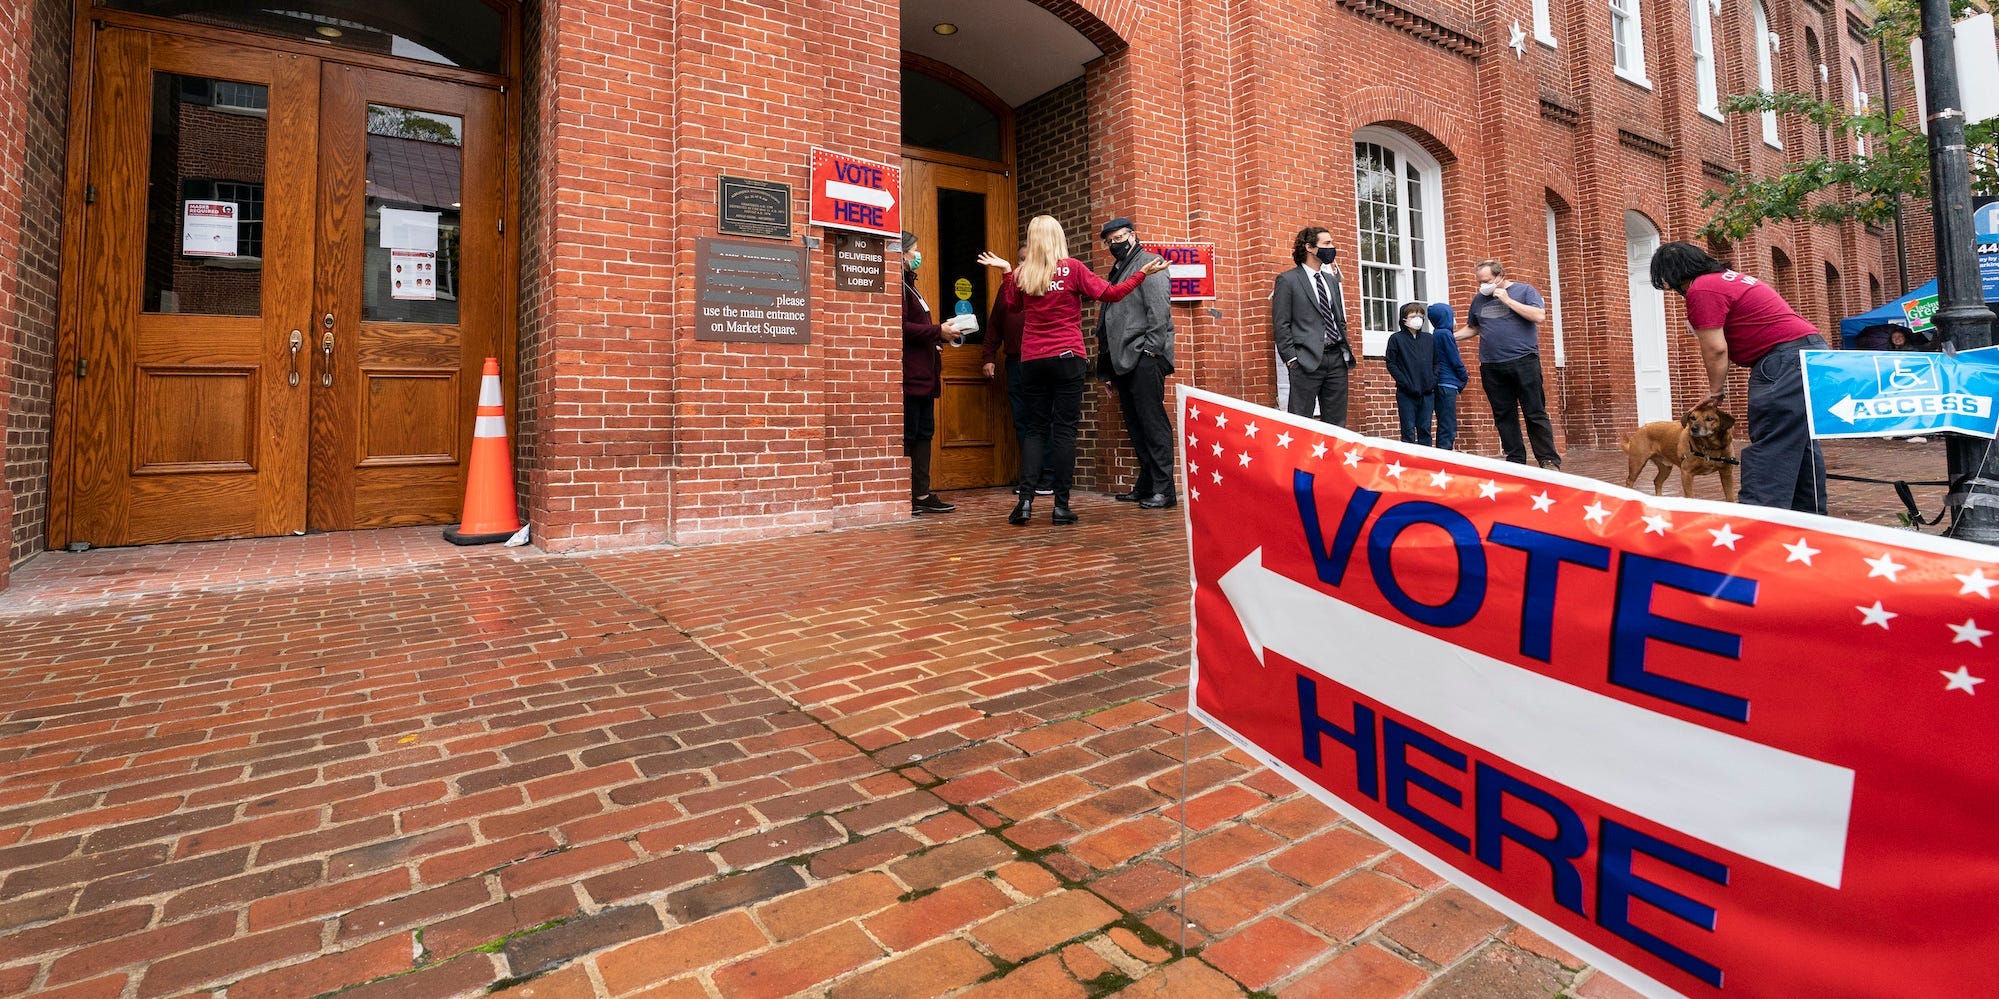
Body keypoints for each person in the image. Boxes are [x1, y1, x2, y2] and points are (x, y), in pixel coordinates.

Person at [979, 215, 1166, 526]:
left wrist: (1007, 272)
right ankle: (1061, 506)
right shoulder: (1073, 269)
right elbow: (1111, 294)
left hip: (1033, 359)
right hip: (1068, 356)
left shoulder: (1025, 273)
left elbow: (1012, 307)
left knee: (1036, 429)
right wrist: (1141, 274)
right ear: (1058, 237)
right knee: (1064, 430)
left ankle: (1025, 502)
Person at [1650, 241, 1828, 513]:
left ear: (1676, 275)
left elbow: (1716, 347)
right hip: (1812, 353)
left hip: (1783, 361)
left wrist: (1714, 392)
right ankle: (1811, 519)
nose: (1676, 292)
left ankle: (1759, 522)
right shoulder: (1730, 279)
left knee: (1772, 442)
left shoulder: (1701, 288)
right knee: (1798, 441)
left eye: (1671, 284)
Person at [1093, 217, 1177, 509]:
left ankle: (1165, 490)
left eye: (1119, 238)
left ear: (1133, 235)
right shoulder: (1119, 269)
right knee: (1135, 424)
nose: (1114, 244)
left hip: (1144, 357)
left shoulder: (1150, 262)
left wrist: (1151, 352)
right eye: (1109, 241)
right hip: (1122, 360)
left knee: (1152, 423)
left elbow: (1158, 312)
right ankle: (1147, 484)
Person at [1465, 259, 1561, 468]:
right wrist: (1448, 337)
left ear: (1500, 276)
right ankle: (1516, 460)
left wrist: (1507, 300)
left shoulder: (1525, 291)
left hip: (1523, 360)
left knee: (1534, 411)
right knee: (1503, 414)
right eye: (1480, 282)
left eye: (1487, 281)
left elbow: (1539, 316)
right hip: (1491, 365)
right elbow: (1474, 328)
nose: (1483, 286)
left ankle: (1547, 459)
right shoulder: (1479, 300)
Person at [900, 231, 971, 516]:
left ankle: (922, 493)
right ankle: (908, 494)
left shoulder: (912, 285)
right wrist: (935, 331)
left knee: (923, 433)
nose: (918, 256)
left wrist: (937, 338)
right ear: (902, 253)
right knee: (910, 434)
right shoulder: (899, 286)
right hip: (911, 375)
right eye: (914, 250)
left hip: (925, 374)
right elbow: (901, 327)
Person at [980, 247, 1049, 495]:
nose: (1023, 264)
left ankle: (1047, 478)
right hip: (1015, 362)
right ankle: (1031, 477)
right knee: (1022, 420)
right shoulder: (1007, 287)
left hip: (1040, 360)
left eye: (1027, 260)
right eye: (1020, 260)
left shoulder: (1047, 283)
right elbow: (995, 324)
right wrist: (988, 356)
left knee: (1042, 418)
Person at [1271, 227, 1356, 425]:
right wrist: (1292, 359)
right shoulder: (1288, 280)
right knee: (1300, 422)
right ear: (1309, 247)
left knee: (1336, 423)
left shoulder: (1331, 281)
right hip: (1305, 360)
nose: (1332, 247)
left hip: (1336, 359)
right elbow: (1281, 323)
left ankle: (1332, 457)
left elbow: (1339, 319)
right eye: (1326, 244)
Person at [1384, 302, 1438, 445]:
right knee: (1408, 430)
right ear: (1404, 318)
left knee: (1425, 429)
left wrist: (1432, 381)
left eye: (1420, 316)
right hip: (1406, 392)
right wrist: (1404, 382)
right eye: (1413, 316)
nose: (1418, 319)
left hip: (1427, 392)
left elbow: (1437, 362)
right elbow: (1391, 363)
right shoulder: (1396, 339)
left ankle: (1425, 461)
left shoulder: (1429, 339)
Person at [1427, 302, 1468, 449]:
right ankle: (1445, 455)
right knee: (1448, 425)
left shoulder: (1436, 334)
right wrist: (1463, 375)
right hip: (1447, 383)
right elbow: (1454, 358)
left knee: (1444, 422)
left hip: (1441, 383)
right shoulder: (1445, 334)